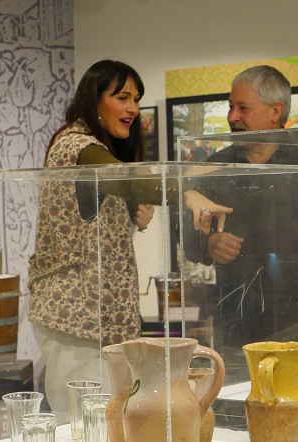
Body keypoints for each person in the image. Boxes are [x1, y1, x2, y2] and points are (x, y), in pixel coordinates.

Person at [28, 60, 227, 418]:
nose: (133, 108)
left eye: (135, 98)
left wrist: (134, 217)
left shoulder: (96, 150)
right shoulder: (76, 145)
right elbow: (126, 179)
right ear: (94, 100)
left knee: (110, 421)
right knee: (81, 424)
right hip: (76, 320)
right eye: (122, 97)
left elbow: (93, 225)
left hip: (102, 319)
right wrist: (187, 194)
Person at [184, 65, 298, 379]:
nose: (233, 117)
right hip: (234, 331)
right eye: (230, 106)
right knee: (236, 408)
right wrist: (209, 244)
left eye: (243, 108)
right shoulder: (216, 166)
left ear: (276, 111)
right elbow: (187, 236)